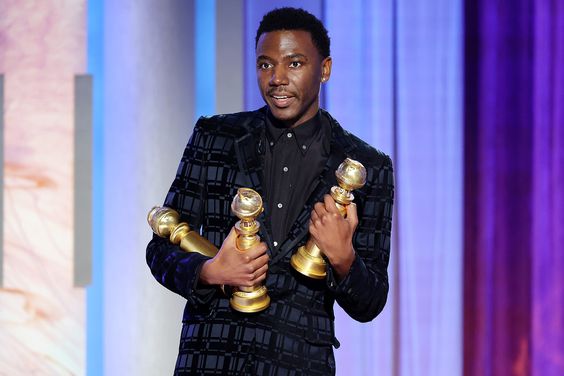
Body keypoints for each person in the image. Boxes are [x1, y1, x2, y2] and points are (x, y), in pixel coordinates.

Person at [146, 7, 394, 375]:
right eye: (265, 65)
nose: (277, 78)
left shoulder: (366, 165)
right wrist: (211, 271)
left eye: (294, 64)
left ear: (324, 69)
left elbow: (370, 302)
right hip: (211, 359)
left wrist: (343, 257)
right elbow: (159, 250)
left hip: (299, 362)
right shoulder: (215, 137)